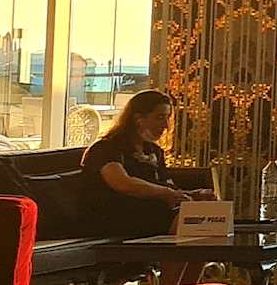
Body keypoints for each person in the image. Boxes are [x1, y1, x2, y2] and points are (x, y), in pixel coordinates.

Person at [74, 89, 217, 238]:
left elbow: (164, 185)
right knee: (188, 220)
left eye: (168, 118)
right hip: (112, 215)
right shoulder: (105, 148)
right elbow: (123, 183)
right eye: (160, 117)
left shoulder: (154, 151)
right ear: (138, 119)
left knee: (205, 215)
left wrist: (192, 195)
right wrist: (167, 193)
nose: (166, 125)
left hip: (147, 210)